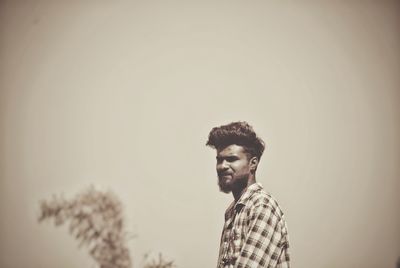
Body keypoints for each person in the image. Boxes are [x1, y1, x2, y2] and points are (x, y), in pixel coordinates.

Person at [206, 121, 290, 268]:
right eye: (219, 160)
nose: (222, 166)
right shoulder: (233, 212)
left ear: (253, 163)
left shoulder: (262, 205)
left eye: (231, 159)